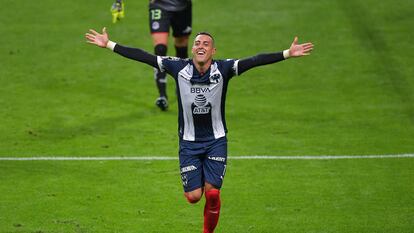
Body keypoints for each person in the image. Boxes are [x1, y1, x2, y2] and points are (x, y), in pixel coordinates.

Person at [85, 27, 313, 233]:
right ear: (192, 49)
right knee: (194, 197)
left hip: (216, 140)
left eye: (205, 44)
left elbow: (254, 60)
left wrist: (286, 53)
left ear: (213, 50)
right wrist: (109, 44)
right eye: (197, 43)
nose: (200, 46)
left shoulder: (224, 69)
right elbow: (145, 57)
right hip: (189, 142)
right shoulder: (178, 67)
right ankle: (203, 177)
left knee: (212, 193)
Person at [148, 0, 192, 111]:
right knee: (160, 49)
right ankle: (162, 95)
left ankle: (181, 87)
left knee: (181, 46)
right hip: (159, 5)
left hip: (182, 6)